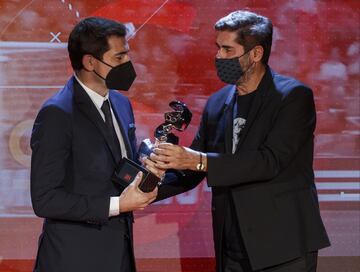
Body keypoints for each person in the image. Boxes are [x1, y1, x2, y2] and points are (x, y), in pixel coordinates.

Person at [145, 10, 330, 272]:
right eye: (217, 48)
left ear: (255, 54)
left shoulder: (293, 97)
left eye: (227, 50)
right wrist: (145, 189)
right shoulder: (217, 103)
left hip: (283, 248)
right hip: (231, 250)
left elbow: (269, 161)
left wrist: (196, 160)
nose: (218, 56)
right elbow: (192, 171)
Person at [30, 17, 157, 272]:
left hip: (120, 254)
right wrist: (118, 205)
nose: (129, 65)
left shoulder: (122, 105)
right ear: (90, 62)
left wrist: (153, 166)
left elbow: (120, 170)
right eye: (119, 57)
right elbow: (45, 199)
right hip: (74, 259)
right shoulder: (58, 114)